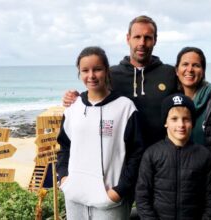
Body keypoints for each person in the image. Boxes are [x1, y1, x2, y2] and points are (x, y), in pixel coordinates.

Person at [63, 15, 211, 146]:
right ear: (128, 39)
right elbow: (95, 93)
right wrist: (76, 97)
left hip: (163, 156)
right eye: (137, 37)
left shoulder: (168, 72)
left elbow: (193, 83)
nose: (142, 43)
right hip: (122, 157)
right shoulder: (112, 74)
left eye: (148, 37)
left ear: (155, 40)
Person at [56, 46, 145, 219]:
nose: (91, 76)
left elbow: (137, 153)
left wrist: (120, 190)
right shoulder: (73, 108)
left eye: (97, 69)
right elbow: (64, 147)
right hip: (74, 197)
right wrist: (64, 179)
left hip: (109, 200)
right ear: (79, 73)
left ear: (106, 71)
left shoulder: (124, 107)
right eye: (85, 70)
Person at [135, 93, 211, 219]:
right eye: (174, 119)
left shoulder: (204, 155)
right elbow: (142, 196)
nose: (181, 125)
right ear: (165, 122)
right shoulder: (152, 154)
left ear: (192, 122)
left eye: (186, 119)